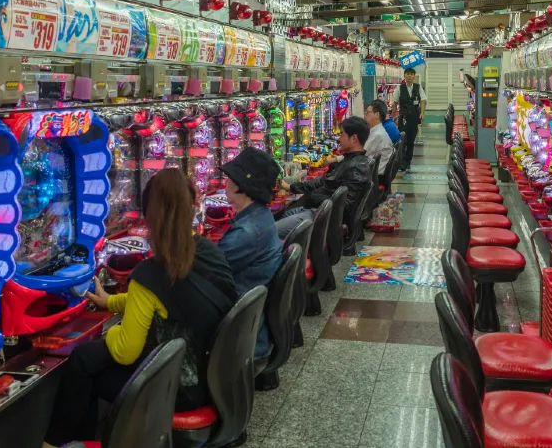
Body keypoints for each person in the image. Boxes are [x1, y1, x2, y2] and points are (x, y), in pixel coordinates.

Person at [43, 169, 237, 448]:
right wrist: (110, 302)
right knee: (89, 359)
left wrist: (104, 334)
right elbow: (168, 298)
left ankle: (61, 442)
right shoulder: (207, 250)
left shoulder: (151, 273)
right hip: (211, 375)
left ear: (149, 216)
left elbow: (125, 351)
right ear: (193, 204)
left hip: (179, 387)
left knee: (85, 361)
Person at [217, 147, 283, 359]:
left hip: (240, 337)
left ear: (240, 186)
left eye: (229, 178)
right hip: (249, 326)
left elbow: (206, 273)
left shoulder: (247, 232)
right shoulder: (259, 216)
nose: (225, 182)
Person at [276, 116, 373, 239]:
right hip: (316, 211)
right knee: (282, 216)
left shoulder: (356, 168)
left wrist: (315, 197)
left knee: (269, 232)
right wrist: (291, 187)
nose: (339, 138)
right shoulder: (351, 161)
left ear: (354, 138)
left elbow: (345, 206)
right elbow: (324, 182)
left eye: (342, 134)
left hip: (321, 217)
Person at [326, 100, 395, 175]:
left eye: (367, 112)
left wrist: (334, 159)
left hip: (375, 174)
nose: (365, 115)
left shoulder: (377, 135)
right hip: (374, 170)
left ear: (377, 115)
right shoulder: (377, 131)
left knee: (335, 168)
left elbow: (359, 155)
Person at [391, 67, 427, 171]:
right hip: (403, 117)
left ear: (414, 76)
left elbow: (423, 100)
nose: (410, 76)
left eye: (412, 74)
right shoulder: (399, 88)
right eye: (408, 74)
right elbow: (395, 103)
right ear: (404, 76)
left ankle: (407, 161)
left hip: (414, 117)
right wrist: (392, 116)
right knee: (403, 140)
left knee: (411, 140)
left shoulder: (418, 87)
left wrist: (422, 113)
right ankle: (401, 161)